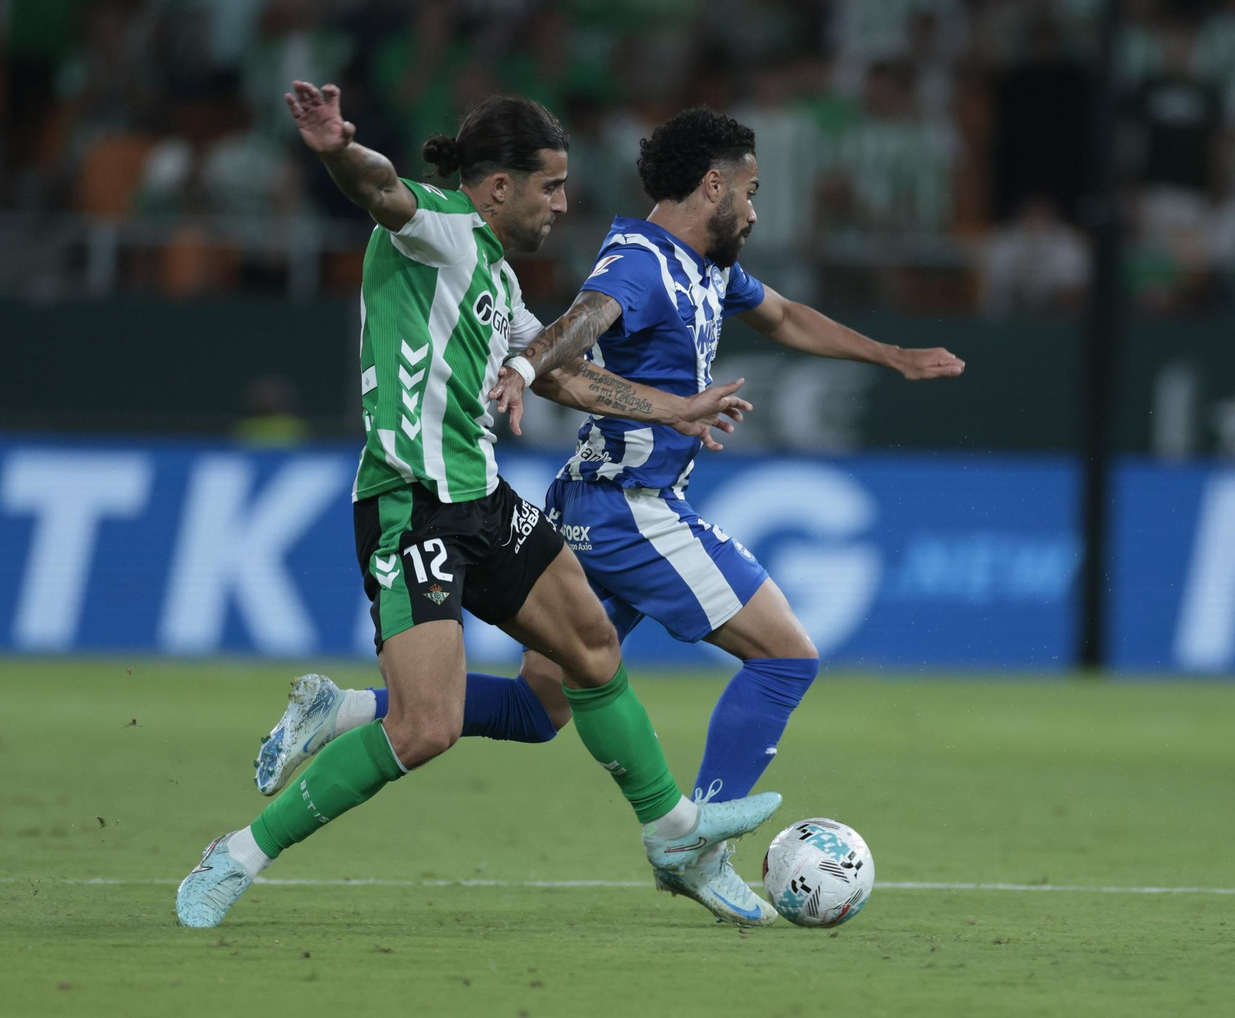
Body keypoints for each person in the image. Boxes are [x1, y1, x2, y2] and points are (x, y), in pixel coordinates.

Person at [252, 105, 964, 926]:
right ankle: (695, 845)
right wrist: (528, 361)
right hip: (633, 511)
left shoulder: (708, 269)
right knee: (786, 658)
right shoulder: (640, 261)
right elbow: (583, 319)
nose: (758, 211)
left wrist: (891, 355)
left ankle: (341, 708)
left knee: (540, 709)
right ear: (714, 184)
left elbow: (785, 316)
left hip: (588, 504)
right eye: (753, 191)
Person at [175, 83, 782, 929]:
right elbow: (379, 189)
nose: (563, 203)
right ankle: (238, 854)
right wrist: (335, 147)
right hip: (409, 504)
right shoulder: (436, 227)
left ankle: (674, 830)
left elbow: (566, 372)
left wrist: (673, 408)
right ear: (499, 186)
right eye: (551, 186)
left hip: (483, 498)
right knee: (427, 728)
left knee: (593, 650)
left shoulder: (494, 273)